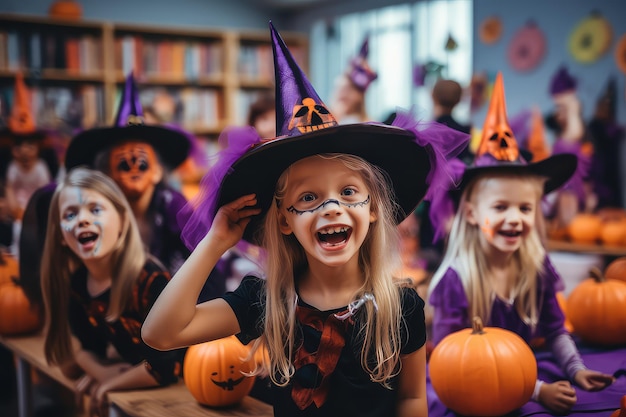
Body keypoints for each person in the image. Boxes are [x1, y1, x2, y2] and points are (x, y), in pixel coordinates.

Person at [142, 22, 468, 417]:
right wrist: (215, 243)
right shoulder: (268, 301)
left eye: (348, 193)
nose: (330, 208)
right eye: (308, 198)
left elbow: (412, 398)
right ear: (283, 220)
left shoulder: (400, 307)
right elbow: (160, 333)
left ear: (374, 208)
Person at [427, 73, 615, 416]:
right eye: (500, 207)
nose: (515, 218)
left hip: (521, 373)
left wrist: (576, 369)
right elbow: (450, 360)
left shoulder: (536, 266)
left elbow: (555, 328)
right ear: (470, 213)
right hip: (473, 388)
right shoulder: (457, 280)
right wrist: (536, 390)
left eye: (525, 208)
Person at [40, 167, 185, 417]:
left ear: (122, 221)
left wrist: (109, 382)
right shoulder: (78, 284)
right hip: (138, 390)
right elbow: (87, 349)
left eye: (95, 210)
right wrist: (100, 371)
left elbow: (166, 367)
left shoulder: (151, 280)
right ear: (61, 235)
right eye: (71, 214)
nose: (83, 220)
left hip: (180, 394)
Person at [329, 36, 377, 124]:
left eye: (349, 89)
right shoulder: (326, 122)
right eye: (340, 89)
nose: (344, 94)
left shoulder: (369, 124)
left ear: (360, 96)